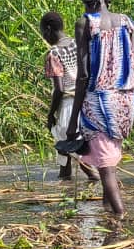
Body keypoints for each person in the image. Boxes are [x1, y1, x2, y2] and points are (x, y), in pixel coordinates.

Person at [66, 0, 134, 216]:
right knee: (107, 155)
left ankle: (119, 217)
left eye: (86, 5)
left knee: (106, 166)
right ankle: (107, 209)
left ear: (93, 3)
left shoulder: (86, 23)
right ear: (106, 1)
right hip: (124, 99)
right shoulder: (126, 22)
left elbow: (84, 75)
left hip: (98, 101)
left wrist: (73, 120)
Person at [41, 11, 100, 181]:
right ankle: (64, 181)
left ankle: (97, 181)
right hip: (85, 102)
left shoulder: (54, 53)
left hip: (68, 105)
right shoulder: (77, 44)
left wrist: (51, 113)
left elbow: (59, 89)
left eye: (43, 32)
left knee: (74, 149)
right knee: (65, 148)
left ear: (48, 30)